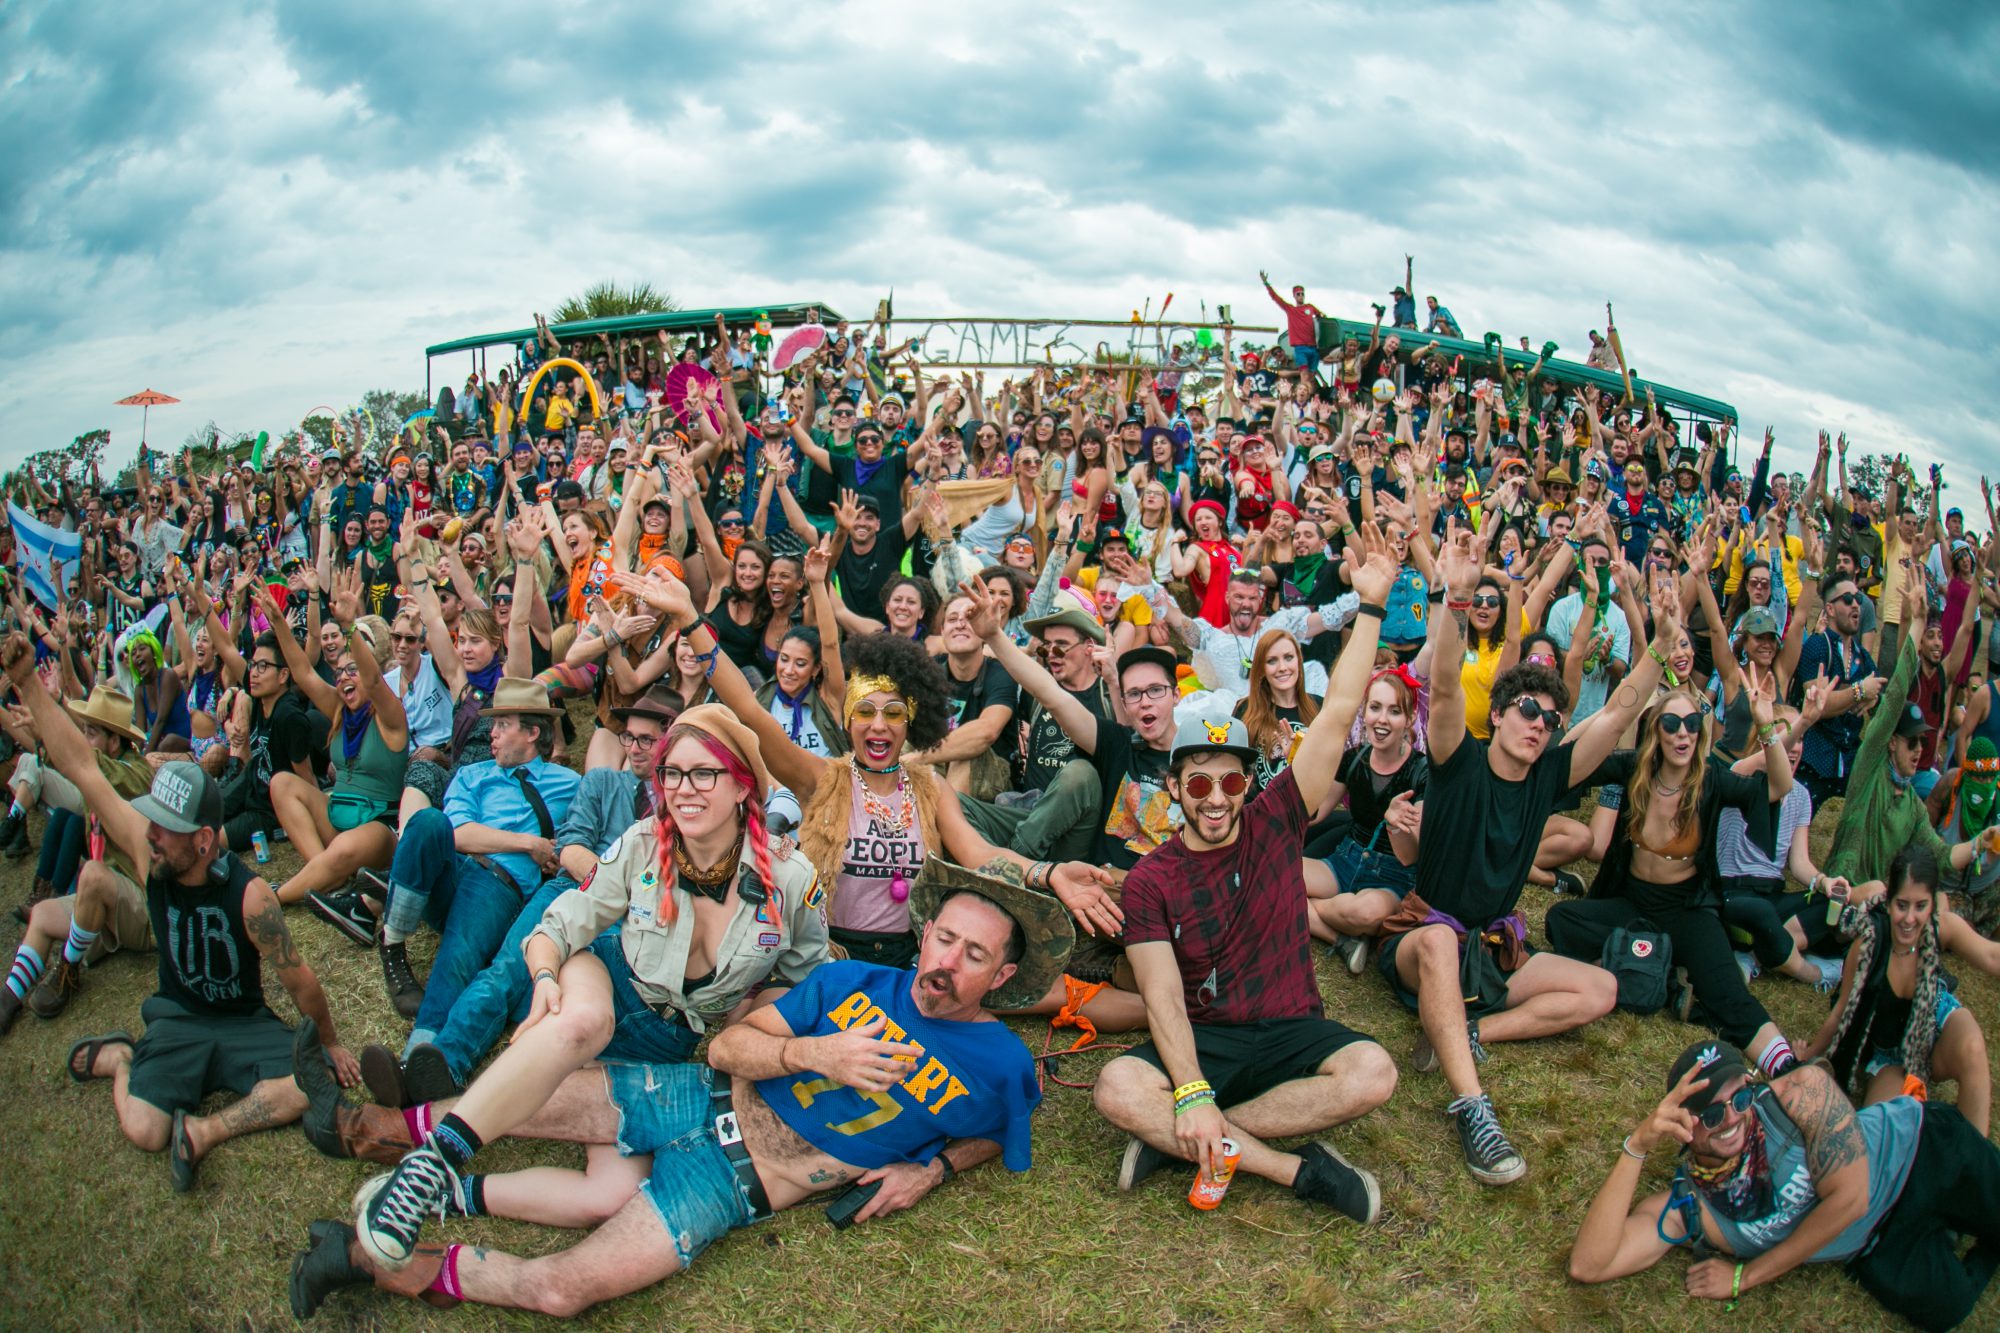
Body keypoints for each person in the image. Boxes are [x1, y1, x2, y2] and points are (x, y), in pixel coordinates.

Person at [287, 861, 1071, 1319]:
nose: (948, 960)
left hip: (734, 1185)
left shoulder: (1000, 1062)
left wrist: (930, 1168)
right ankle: (364, 1128)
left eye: (975, 954)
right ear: (924, 930)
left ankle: (367, 1258)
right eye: (944, 936)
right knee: (530, 1095)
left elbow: (1003, 1129)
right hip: (696, 1094)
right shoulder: (848, 980)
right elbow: (729, 1043)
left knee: (563, 1289)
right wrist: (813, 1053)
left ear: (1001, 976)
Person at [1092, 523, 1400, 1222]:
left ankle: (1184, 1141)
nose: (1214, 800)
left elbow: (1340, 712)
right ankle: (1292, 1169)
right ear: (1175, 790)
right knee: (1115, 1084)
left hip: (1291, 1024)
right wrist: (1193, 1088)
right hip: (1208, 1037)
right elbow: (1163, 998)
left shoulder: (1278, 815)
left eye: (1229, 784)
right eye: (1197, 785)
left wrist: (1372, 605)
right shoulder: (1150, 880)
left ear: (1247, 785)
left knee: (1374, 1071)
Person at [8, 622, 360, 1192]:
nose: (150, 835)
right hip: (176, 1018)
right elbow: (82, 768)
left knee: (312, 1081)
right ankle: (123, 1058)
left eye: (167, 829)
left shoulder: (250, 896)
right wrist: (26, 681)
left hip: (242, 1022)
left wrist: (329, 1039)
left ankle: (205, 1132)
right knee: (145, 1128)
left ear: (202, 840)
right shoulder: (152, 861)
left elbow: (301, 982)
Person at [1383, 521, 1664, 1186]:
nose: (1540, 723)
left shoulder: (1549, 776)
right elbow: (1446, 686)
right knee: (1439, 946)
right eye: (1528, 711)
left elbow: (1621, 710)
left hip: (1491, 946)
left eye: (1549, 718)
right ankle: (1473, 1106)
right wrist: (1453, 600)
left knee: (1600, 987)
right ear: (1502, 715)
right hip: (1423, 936)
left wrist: (1663, 641)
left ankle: (1478, 1031)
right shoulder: (1458, 759)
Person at [1569, 1038, 2000, 1333]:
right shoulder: (1692, 1206)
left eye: (1739, 1098)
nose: (1734, 1118)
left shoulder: (1799, 1093)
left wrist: (1745, 1276)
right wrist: (1638, 1144)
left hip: (1924, 1151)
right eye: (1712, 1115)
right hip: (1877, 1241)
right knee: (1949, 1307)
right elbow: (1589, 1265)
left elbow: (1850, 1200)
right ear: (1682, 1124)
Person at [1545, 681, 1802, 1078]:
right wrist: (1613, 713)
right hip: (1632, 901)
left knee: (1728, 993)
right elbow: (1573, 760)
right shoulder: (1636, 770)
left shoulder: (1711, 779)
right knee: (1562, 922)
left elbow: (1778, 787)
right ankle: (1669, 979)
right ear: (1656, 730)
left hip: (1687, 908)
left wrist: (1767, 726)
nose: (1683, 732)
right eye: (1671, 722)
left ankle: (1784, 1063)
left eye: (1691, 723)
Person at [372, 678, 581, 1033]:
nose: (491, 735)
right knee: (427, 822)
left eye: (502, 725)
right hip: (453, 870)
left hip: (499, 883)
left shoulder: (569, 783)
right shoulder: (473, 774)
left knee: (457, 958)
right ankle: (392, 941)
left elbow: (580, 838)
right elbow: (458, 835)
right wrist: (529, 843)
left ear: (532, 732)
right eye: (493, 725)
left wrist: (558, 853)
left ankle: (423, 1047)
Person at [1799, 843, 1989, 1137]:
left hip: (1936, 1023)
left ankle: (1974, 1157)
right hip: (1893, 1054)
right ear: (1888, 902)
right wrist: (1808, 1054)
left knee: (1973, 1047)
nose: (1910, 919)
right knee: (1880, 1131)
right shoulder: (1869, 946)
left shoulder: (1942, 927)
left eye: (1920, 906)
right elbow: (1842, 1013)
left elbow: (1991, 956)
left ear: (1932, 905)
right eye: (1902, 905)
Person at [0, 684, 157, 1029]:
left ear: (114, 742)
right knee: (41, 914)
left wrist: (47, 726)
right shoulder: (99, 768)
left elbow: (81, 762)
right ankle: (8, 999)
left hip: (147, 910)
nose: (83, 740)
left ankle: (67, 971)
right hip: (109, 903)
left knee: (94, 875)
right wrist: (41, 732)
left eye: (90, 732)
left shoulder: (136, 772)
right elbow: (72, 761)